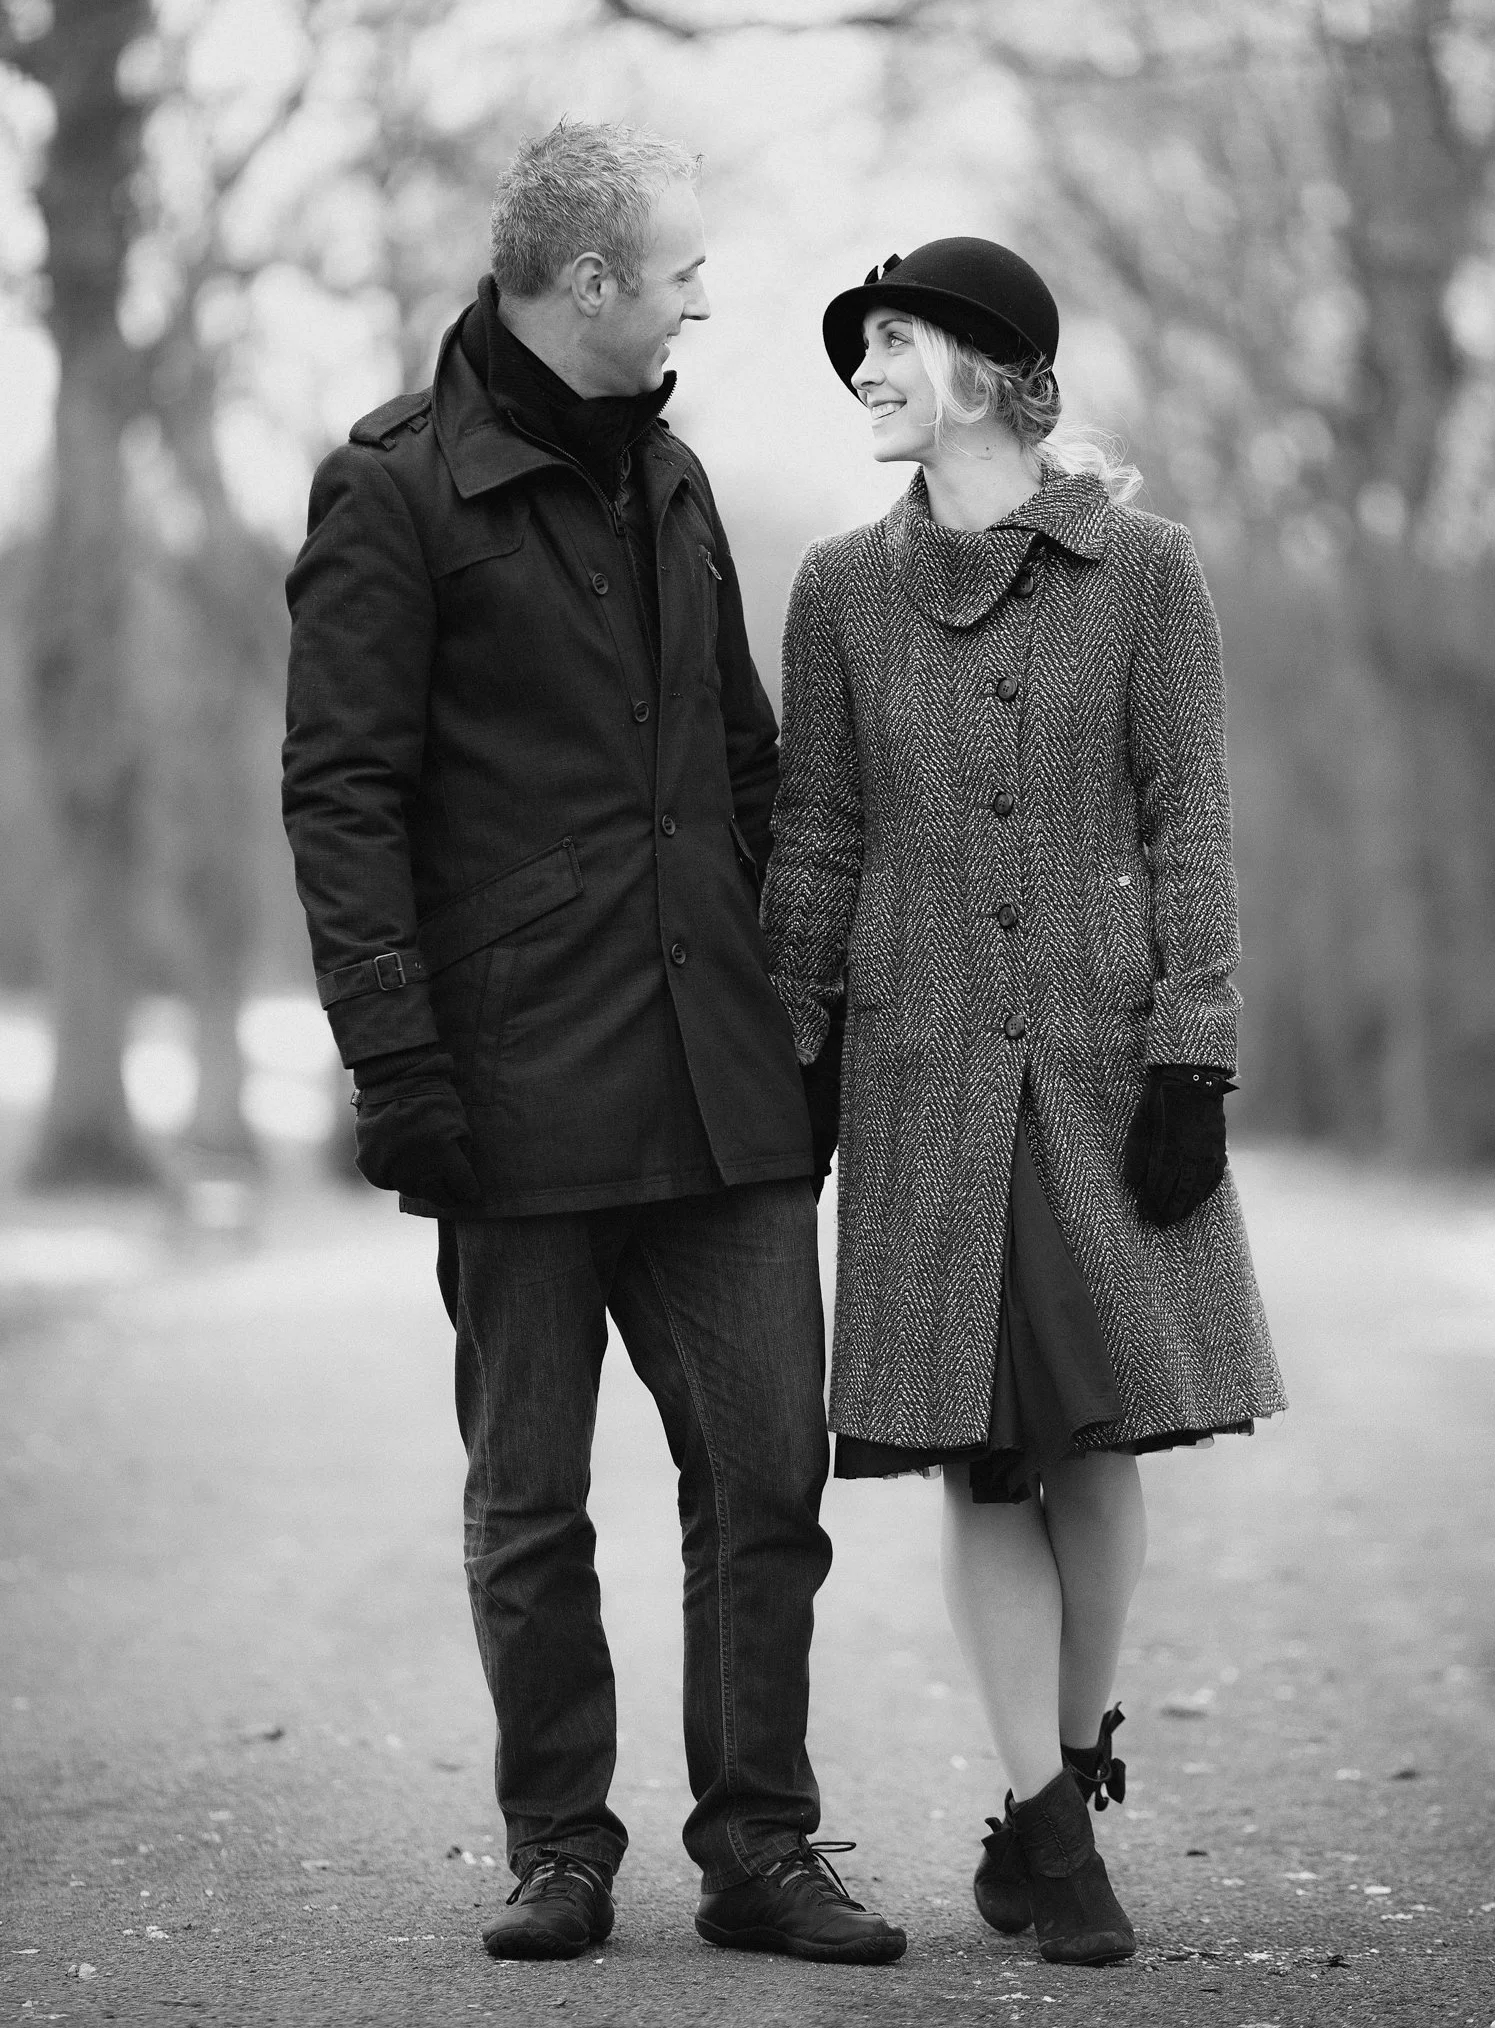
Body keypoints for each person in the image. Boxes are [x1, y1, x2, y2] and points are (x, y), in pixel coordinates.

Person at [281, 121, 905, 1968]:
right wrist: (395, 1066)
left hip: (719, 1087)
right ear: (586, 285)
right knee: (529, 1503)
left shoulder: (679, 476)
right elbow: (341, 795)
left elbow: (746, 767)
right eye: (683, 274)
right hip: (514, 1089)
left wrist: (804, 1019)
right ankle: (560, 1845)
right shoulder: (390, 492)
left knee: (767, 1481)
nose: (704, 300)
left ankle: (759, 1850)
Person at [761, 238, 1286, 1966]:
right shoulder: (838, 588)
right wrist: (795, 1045)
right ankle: (1052, 1839)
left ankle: (1064, 1766)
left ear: (991, 365)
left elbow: (1185, 818)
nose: (868, 370)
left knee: (1102, 1434)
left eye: (894, 340)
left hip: (1099, 1061)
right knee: (983, 1463)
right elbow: (821, 830)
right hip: (918, 1074)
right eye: (860, 348)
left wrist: (1193, 1048)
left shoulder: (1146, 571)